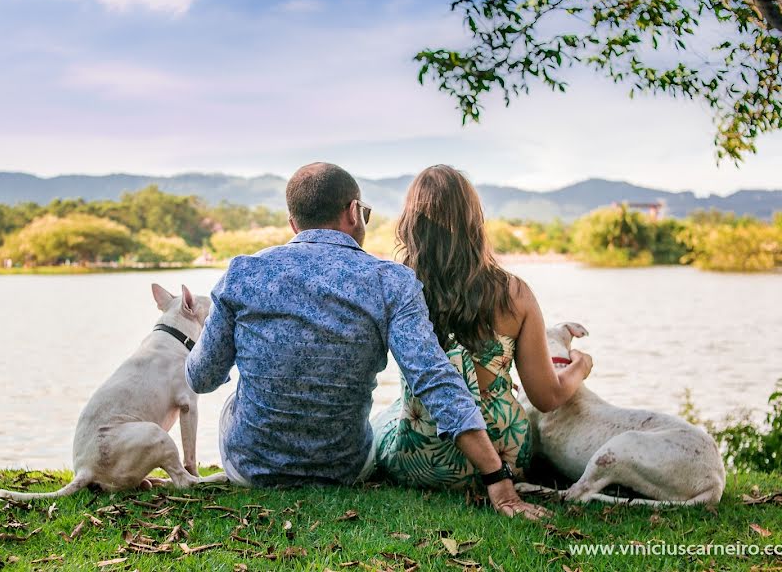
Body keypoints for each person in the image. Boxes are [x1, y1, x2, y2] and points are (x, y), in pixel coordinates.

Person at [186, 162, 542, 518]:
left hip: (253, 471)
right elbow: (435, 379)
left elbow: (201, 378)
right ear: (355, 212)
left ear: (293, 223)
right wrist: (497, 478)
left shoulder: (243, 273)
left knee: (236, 399)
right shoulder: (391, 281)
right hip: (343, 470)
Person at [372, 165, 593, 489]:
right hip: (507, 455)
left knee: (388, 413)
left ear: (411, 223)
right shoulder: (515, 294)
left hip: (420, 460)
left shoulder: (401, 286)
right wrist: (580, 367)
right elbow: (547, 397)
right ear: (475, 220)